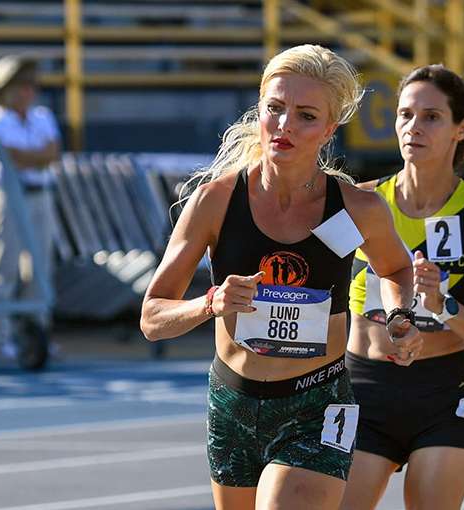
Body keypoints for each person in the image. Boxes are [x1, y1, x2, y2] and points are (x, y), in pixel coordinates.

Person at [140, 44, 423, 510]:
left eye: (306, 116)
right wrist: (210, 302)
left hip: (317, 404)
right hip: (233, 401)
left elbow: (394, 267)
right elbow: (152, 317)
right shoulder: (216, 201)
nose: (285, 125)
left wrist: (399, 316)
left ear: (330, 128)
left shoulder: (357, 208)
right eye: (275, 108)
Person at [341, 65, 464, 510]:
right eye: (405, 115)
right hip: (362, 388)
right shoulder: (361, 203)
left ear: (461, 129)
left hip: (440, 395)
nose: (413, 127)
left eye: (431, 117)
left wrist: (445, 306)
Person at [0, 55, 61, 359]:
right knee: (4, 265)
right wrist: (36, 155)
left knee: (40, 269)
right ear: (5, 89)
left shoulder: (42, 115)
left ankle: (36, 335)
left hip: (41, 194)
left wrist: (32, 156)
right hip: (6, 196)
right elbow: (12, 157)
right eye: (19, 85)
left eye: (29, 84)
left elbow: (52, 153)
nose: (27, 91)